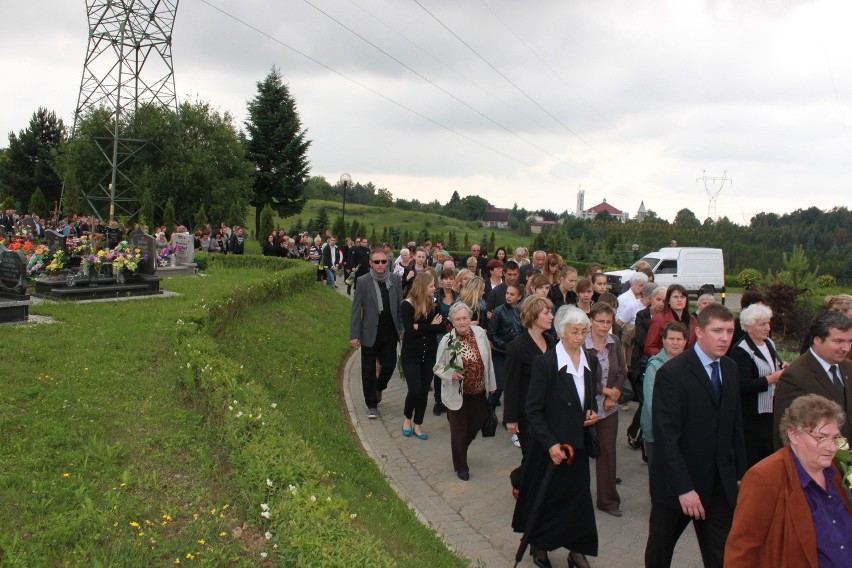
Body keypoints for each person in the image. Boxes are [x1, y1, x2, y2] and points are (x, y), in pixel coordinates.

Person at [644, 304, 747, 568]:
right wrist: (684, 488)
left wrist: (738, 475)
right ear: (698, 331)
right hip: (677, 485)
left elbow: (735, 426)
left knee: (722, 555)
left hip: (718, 485)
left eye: (729, 331)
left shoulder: (731, 368)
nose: (725, 338)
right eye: (717, 331)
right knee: (660, 552)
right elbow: (665, 436)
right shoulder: (672, 373)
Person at [511, 305, 600, 568]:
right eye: (574, 331)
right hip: (550, 447)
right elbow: (533, 409)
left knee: (578, 498)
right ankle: (540, 545)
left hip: (578, 446)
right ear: (561, 333)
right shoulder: (546, 364)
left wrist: (592, 414)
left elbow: (587, 399)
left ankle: (577, 549)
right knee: (547, 496)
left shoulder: (590, 361)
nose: (580, 337)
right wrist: (550, 444)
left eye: (584, 331)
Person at [724, 394, 852, 567]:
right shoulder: (764, 478)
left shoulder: (834, 469)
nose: (831, 447)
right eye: (821, 438)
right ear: (793, 434)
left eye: (835, 437)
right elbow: (742, 551)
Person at [432, 302, 497, 481]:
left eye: (465, 318)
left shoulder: (479, 334)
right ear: (452, 321)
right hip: (457, 393)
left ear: (470, 319)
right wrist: (451, 373)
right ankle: (461, 466)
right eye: (458, 319)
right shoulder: (448, 340)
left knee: (477, 423)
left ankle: (459, 447)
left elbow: (488, 360)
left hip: (479, 391)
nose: (462, 322)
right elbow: (438, 367)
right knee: (459, 432)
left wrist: (492, 383)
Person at [774, 311, 852, 448]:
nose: (846, 348)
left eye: (849, 341)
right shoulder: (795, 376)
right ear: (817, 340)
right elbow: (785, 432)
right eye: (838, 341)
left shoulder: (847, 367)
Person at [730, 303, 788, 467]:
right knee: (754, 457)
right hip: (752, 415)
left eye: (768, 323)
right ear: (748, 327)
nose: (767, 328)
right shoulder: (741, 350)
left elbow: (771, 365)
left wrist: (782, 365)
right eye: (762, 324)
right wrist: (772, 378)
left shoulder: (768, 343)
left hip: (770, 409)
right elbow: (742, 386)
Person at [349, 248, 403, 419]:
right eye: (377, 262)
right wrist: (354, 334)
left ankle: (379, 387)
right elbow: (356, 310)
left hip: (390, 331)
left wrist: (402, 329)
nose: (381, 265)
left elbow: (399, 307)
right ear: (370, 263)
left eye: (384, 261)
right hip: (369, 331)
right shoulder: (363, 281)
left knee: (389, 365)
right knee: (368, 369)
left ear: (388, 262)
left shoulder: (395, 279)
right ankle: (371, 403)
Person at [585, 303, 627, 517]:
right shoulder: (582, 344)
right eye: (600, 321)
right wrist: (607, 391)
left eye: (608, 322)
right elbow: (583, 378)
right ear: (591, 320)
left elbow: (622, 370)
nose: (604, 326)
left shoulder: (614, 342)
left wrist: (615, 392)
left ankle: (608, 500)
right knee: (580, 452)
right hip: (587, 406)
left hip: (609, 408)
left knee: (608, 453)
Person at [505, 296, 555, 476]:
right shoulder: (517, 347)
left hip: (549, 411)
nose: (551, 316)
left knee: (546, 454)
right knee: (531, 455)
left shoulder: (552, 343)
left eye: (551, 312)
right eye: (546, 313)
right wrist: (510, 418)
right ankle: (520, 482)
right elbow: (511, 384)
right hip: (527, 413)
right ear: (533, 316)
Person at [399, 273, 444, 440]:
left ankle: (418, 424)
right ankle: (407, 418)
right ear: (423, 286)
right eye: (432, 286)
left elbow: (441, 327)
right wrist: (429, 326)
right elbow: (409, 331)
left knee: (424, 390)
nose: (435, 288)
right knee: (415, 389)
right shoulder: (407, 305)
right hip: (411, 355)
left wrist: (421, 326)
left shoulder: (434, 304)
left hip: (429, 354)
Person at [640, 321, 688, 470]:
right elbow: (650, 402)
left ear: (685, 341)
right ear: (663, 340)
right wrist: (667, 429)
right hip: (657, 432)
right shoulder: (655, 366)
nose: (675, 343)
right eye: (671, 339)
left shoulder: (689, 364)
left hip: (683, 431)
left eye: (679, 339)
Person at [487, 283, 523, 408]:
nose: (508, 296)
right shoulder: (499, 310)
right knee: (500, 385)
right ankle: (490, 408)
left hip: (517, 354)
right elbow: (492, 333)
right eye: (507, 293)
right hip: (499, 353)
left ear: (519, 297)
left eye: (512, 294)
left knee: (514, 387)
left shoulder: (523, 311)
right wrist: (505, 346)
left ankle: (508, 417)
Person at [644, 284, 696, 356]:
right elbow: (649, 348)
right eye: (675, 297)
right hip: (667, 362)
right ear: (668, 300)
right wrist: (670, 355)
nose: (679, 300)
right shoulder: (659, 320)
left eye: (682, 297)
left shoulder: (692, 320)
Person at [432, 268, 458, 415]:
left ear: (454, 280)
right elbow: (434, 317)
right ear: (441, 280)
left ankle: (451, 399)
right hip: (439, 336)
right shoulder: (436, 296)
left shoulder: (458, 297)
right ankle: (438, 400)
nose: (448, 281)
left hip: (455, 336)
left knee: (453, 367)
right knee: (440, 368)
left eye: (451, 278)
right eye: (446, 278)